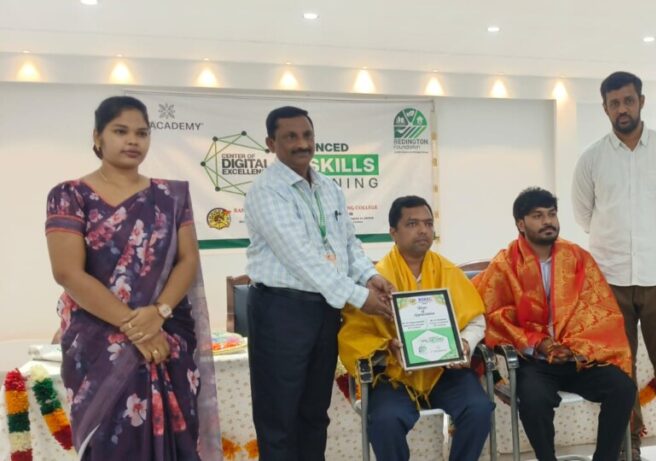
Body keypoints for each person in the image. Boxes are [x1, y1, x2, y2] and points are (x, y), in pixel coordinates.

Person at [45, 96, 219, 459]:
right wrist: (137, 327)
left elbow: (187, 259)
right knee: (111, 441)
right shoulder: (70, 195)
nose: (133, 140)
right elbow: (68, 272)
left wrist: (159, 312)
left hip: (167, 334)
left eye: (142, 133)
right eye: (120, 131)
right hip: (99, 342)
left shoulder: (171, 196)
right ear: (97, 137)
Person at [244, 106, 395, 460]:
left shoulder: (328, 186)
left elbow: (347, 243)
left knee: (314, 413)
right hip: (281, 311)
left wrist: (370, 276)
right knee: (279, 417)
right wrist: (359, 296)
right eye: (290, 137)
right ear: (271, 143)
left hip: (324, 310)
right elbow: (302, 258)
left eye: (307, 135)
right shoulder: (267, 191)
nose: (302, 143)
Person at [572, 71, 656, 461]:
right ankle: (630, 442)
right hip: (609, 278)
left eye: (628, 100)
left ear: (641, 101)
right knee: (619, 369)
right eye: (614, 103)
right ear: (605, 108)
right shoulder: (591, 158)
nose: (622, 109)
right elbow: (583, 216)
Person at [474, 187, 635, 461]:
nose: (547, 221)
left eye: (551, 214)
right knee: (534, 401)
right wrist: (538, 344)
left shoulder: (578, 258)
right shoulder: (505, 265)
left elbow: (599, 310)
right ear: (521, 224)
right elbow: (493, 315)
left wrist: (573, 348)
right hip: (535, 362)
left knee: (623, 388)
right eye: (537, 216)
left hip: (578, 358)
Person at [338, 195, 494, 461]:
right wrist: (388, 347)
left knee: (478, 409)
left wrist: (465, 343)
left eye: (428, 223)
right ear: (393, 232)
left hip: (444, 372)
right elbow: (356, 334)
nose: (423, 230)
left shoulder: (448, 272)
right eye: (412, 224)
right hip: (394, 375)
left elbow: (476, 319)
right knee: (386, 421)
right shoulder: (376, 280)